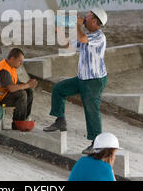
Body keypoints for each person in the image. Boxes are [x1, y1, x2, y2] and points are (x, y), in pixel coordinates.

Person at [43, 8, 108, 154]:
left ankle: (96, 143)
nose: (85, 17)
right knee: (59, 89)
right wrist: (58, 30)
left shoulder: (98, 36)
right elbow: (68, 45)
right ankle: (60, 121)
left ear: (95, 21)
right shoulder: (87, 35)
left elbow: (82, 39)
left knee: (91, 110)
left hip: (94, 80)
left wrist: (77, 25)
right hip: (82, 78)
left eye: (88, 16)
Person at [0, 48, 38, 129]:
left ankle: (24, 119)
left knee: (29, 91)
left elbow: (15, 83)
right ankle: (18, 124)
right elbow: (11, 88)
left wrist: (28, 84)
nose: (21, 63)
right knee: (21, 94)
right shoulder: (3, 69)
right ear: (12, 59)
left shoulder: (12, 67)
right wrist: (27, 85)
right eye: (19, 61)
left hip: (4, 96)